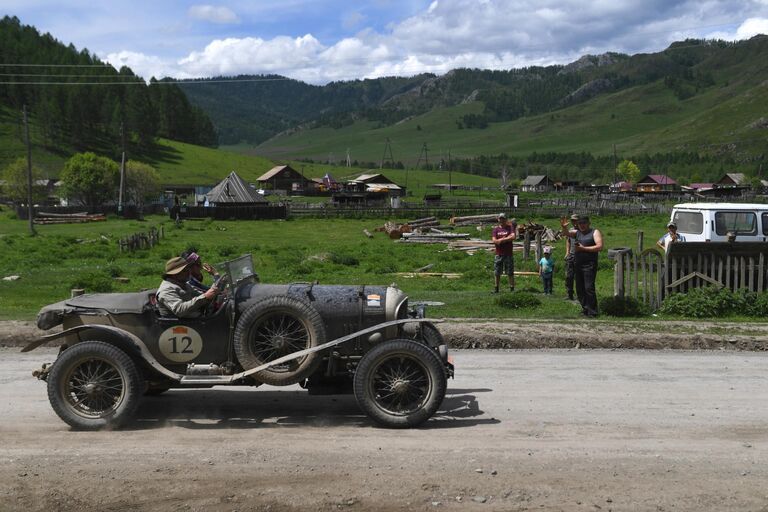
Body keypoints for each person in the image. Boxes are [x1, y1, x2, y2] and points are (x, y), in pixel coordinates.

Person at [560, 215, 603, 317]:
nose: (582, 225)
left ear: (589, 223)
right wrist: (564, 227)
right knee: (580, 288)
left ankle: (592, 311)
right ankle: (585, 309)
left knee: (588, 288)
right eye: (580, 223)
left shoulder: (595, 232)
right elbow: (566, 234)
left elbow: (599, 246)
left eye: (584, 223)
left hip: (589, 264)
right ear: (577, 224)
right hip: (578, 264)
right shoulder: (577, 232)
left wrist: (584, 249)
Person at [492, 213, 517, 293]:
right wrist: (506, 239)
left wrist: (502, 240)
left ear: (506, 219)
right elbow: (494, 240)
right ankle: (496, 289)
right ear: (498, 219)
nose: (502, 220)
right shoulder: (496, 229)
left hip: (508, 253)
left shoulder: (510, 228)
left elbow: (513, 237)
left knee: (510, 272)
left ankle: (512, 288)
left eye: (503, 219)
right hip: (499, 254)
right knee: (497, 272)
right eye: (500, 218)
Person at [564, 213, 579, 300]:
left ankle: (579, 295)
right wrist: (567, 252)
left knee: (578, 277)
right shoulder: (570, 230)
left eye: (575, 220)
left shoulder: (582, 230)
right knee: (569, 276)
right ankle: (569, 294)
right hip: (571, 254)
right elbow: (568, 241)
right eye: (573, 220)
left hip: (579, 255)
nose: (574, 222)